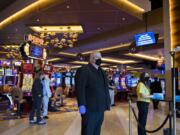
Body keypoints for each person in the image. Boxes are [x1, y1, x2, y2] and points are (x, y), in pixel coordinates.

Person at [75, 51, 111, 135]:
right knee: (88, 131)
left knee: (97, 130)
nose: (99, 59)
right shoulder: (84, 70)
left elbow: (104, 87)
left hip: (100, 107)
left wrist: (107, 102)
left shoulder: (101, 71)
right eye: (97, 57)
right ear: (92, 59)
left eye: (100, 57)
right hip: (89, 108)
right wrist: (81, 104)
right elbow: (80, 88)